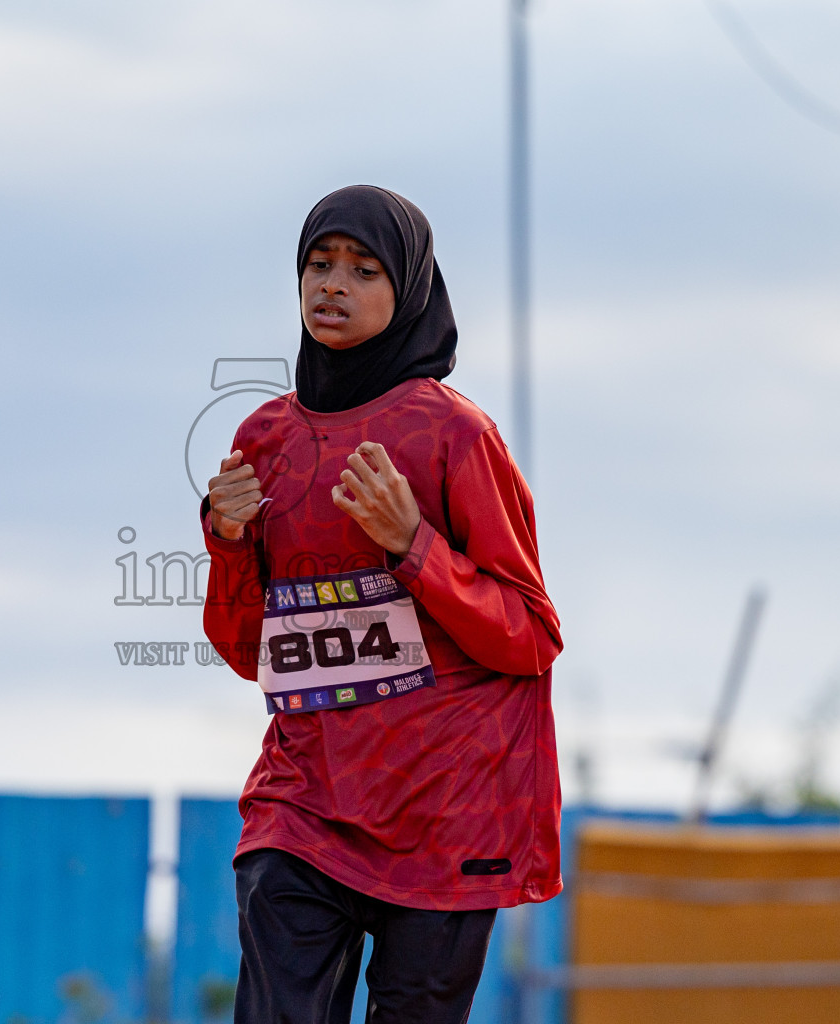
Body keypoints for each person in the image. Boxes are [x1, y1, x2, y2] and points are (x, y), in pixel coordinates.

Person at [200, 185, 564, 1024]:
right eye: (318, 265)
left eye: (363, 270)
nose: (333, 285)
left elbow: (531, 635)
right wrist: (226, 537)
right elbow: (250, 647)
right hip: (304, 806)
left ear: (407, 291)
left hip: (445, 811)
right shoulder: (265, 440)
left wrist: (414, 547)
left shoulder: (455, 437)